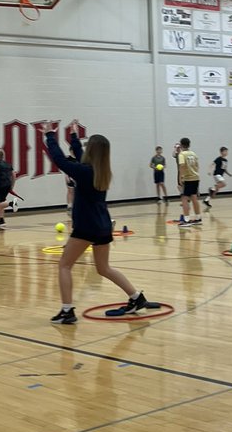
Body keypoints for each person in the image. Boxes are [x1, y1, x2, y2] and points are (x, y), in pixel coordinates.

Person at [40, 124, 159, 324]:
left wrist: (50, 136)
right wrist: (73, 136)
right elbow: (79, 156)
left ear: (91, 151)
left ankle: (67, 311)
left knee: (64, 266)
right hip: (103, 224)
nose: (83, 150)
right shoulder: (101, 171)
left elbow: (60, 160)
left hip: (86, 226)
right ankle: (137, 297)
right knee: (104, 268)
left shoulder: (84, 172)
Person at [177, 137, 202, 224]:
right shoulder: (193, 154)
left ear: (181, 145)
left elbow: (182, 166)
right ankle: (198, 218)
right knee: (194, 197)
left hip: (188, 178)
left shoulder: (182, 155)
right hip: (196, 177)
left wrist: (181, 177)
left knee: (184, 198)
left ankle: (186, 220)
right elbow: (197, 166)